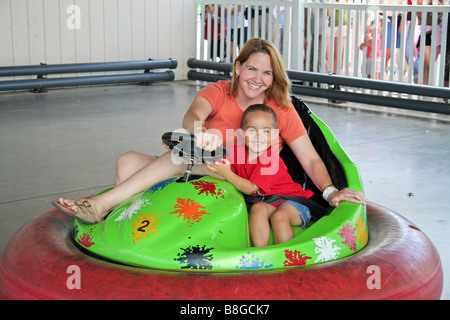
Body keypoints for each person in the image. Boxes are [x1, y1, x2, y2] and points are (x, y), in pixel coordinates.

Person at [53, 38, 366, 225]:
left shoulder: (280, 108)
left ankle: (100, 205)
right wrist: (199, 133)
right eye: (252, 69)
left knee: (179, 156)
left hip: (238, 183)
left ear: (274, 78)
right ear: (238, 68)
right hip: (201, 167)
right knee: (128, 162)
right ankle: (126, 229)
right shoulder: (218, 91)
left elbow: (310, 158)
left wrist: (330, 192)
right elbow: (192, 115)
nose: (258, 78)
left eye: (267, 73)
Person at [206, 104, 317, 246]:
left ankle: (288, 259)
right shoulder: (236, 152)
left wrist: (227, 173)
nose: (258, 136)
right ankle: (260, 255)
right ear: (241, 134)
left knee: (280, 216)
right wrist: (204, 153)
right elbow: (217, 163)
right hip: (267, 203)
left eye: (266, 131)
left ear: (275, 136)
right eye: (252, 130)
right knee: (257, 208)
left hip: (294, 203)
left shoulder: (271, 159)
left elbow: (251, 188)